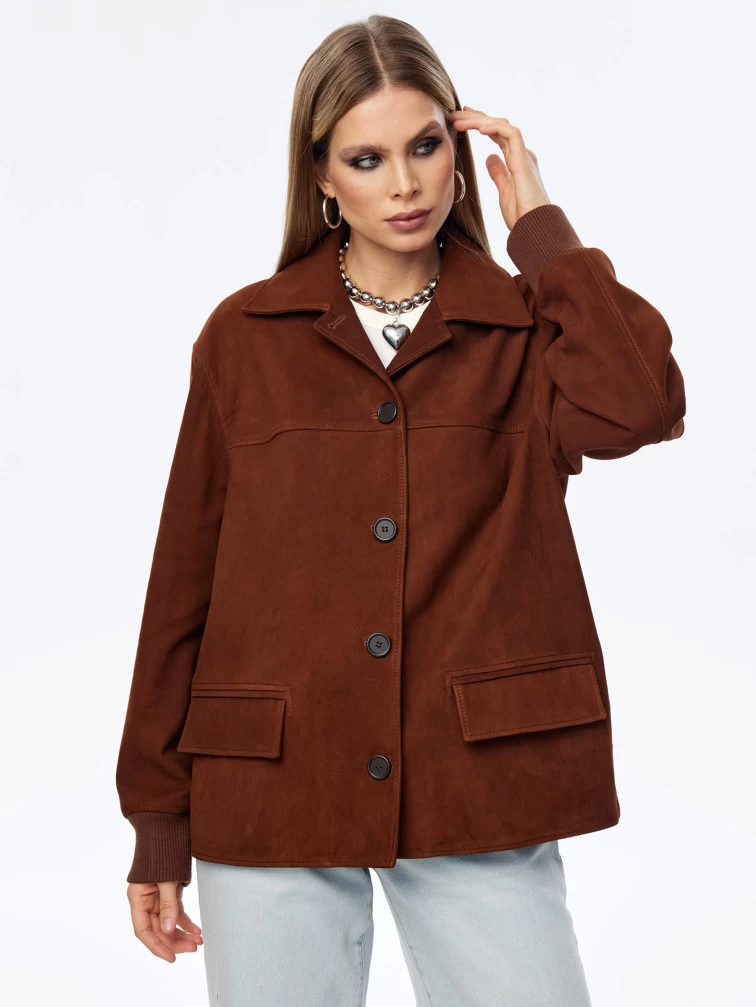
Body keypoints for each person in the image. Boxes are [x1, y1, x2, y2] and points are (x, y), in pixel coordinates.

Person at [115, 14, 686, 1006]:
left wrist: (543, 232)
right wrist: (157, 819)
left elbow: (640, 403)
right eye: (367, 158)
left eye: (425, 146)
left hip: (477, 776)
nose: (406, 184)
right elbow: (183, 584)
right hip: (274, 779)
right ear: (322, 176)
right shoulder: (245, 338)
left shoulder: (526, 328)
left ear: (460, 154)